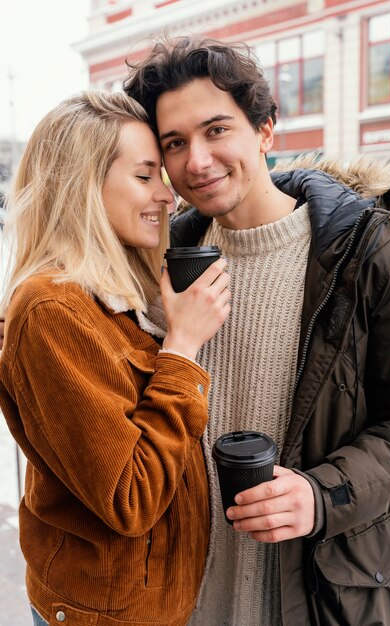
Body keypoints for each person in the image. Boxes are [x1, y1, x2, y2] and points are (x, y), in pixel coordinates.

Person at [124, 36, 390, 625]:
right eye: (175, 143)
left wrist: (321, 495)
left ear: (265, 130)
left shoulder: (367, 254)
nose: (197, 161)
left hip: (320, 595)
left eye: (216, 131)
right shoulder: (160, 257)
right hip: (181, 597)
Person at [0, 91, 231, 626]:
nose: (168, 198)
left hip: (153, 602)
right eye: (145, 176)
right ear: (81, 185)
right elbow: (132, 496)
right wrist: (183, 347)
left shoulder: (121, 293)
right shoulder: (52, 309)